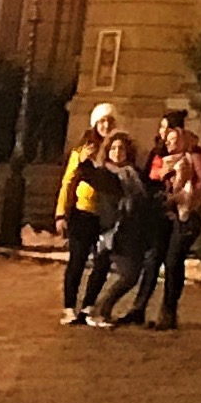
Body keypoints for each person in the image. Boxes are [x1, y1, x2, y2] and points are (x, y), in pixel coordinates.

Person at [87, 128, 174, 328]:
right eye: (114, 148)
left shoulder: (132, 173)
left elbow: (141, 198)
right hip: (115, 231)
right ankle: (97, 310)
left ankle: (101, 310)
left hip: (133, 231)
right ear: (107, 151)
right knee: (129, 274)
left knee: (131, 274)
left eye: (121, 148)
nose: (118, 152)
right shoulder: (105, 173)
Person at [135, 109, 201, 330]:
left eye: (169, 133)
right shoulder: (164, 156)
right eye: (164, 134)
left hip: (186, 215)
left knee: (173, 261)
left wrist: (182, 198)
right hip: (168, 216)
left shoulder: (191, 156)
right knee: (160, 260)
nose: (165, 138)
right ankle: (152, 311)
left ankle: (168, 312)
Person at [54, 106, 127, 321]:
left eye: (110, 122)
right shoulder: (83, 150)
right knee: (77, 260)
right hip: (83, 212)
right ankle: (69, 307)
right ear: (95, 123)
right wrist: (61, 213)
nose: (106, 126)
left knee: (102, 262)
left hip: (106, 217)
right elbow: (68, 183)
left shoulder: (116, 149)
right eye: (102, 121)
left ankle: (88, 306)